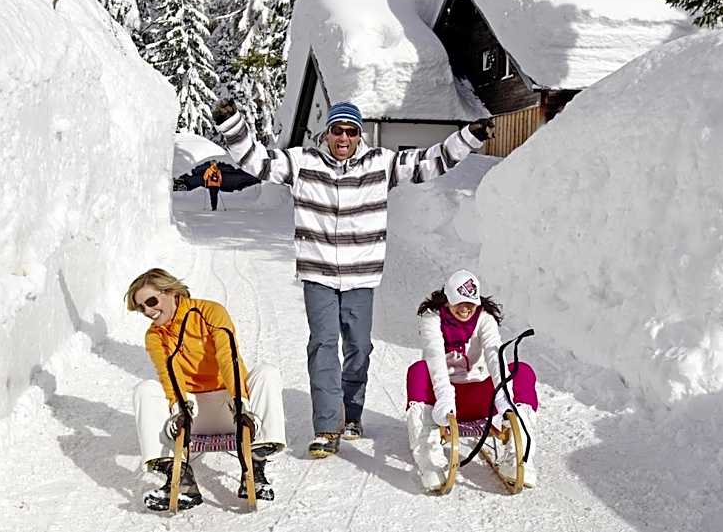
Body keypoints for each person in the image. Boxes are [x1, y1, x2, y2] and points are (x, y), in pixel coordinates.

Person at [212, 99, 495, 458]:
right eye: (337, 130)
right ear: (326, 133)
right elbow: (257, 160)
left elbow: (429, 161)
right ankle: (327, 427)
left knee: (359, 348)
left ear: (358, 135)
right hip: (319, 274)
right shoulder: (303, 163)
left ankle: (352, 411)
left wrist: (469, 137)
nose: (343, 137)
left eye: (350, 131)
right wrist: (230, 123)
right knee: (323, 346)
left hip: (361, 275)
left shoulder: (381, 164)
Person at [126, 268, 286, 511]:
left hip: (230, 407)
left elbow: (227, 355)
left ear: (170, 291)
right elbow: (169, 374)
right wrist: (179, 409)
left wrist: (240, 402)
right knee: (145, 389)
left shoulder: (209, 312)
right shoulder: (154, 336)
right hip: (193, 412)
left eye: (151, 301)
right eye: (141, 307)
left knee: (267, 372)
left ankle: (255, 464)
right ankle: (179, 480)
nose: (148, 311)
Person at [405, 269, 539, 491]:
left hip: (480, 397)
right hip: (444, 401)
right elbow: (435, 358)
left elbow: (495, 356)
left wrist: (504, 398)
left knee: (522, 371)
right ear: (448, 299)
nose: (466, 308)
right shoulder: (432, 318)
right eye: (460, 303)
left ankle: (518, 456)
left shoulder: (484, 319)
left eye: (471, 303)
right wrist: (445, 399)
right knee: (418, 371)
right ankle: (431, 460)